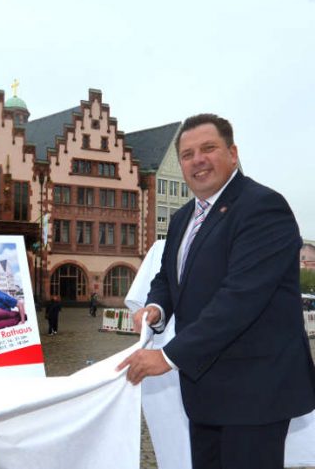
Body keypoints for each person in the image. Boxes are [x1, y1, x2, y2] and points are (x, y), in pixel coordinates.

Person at [118, 114, 315, 469]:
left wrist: (167, 357)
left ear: (233, 153)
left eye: (208, 149)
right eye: (188, 154)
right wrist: (157, 309)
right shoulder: (181, 219)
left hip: (255, 393)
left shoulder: (263, 207)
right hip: (205, 391)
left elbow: (240, 298)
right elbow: (167, 277)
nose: (198, 160)